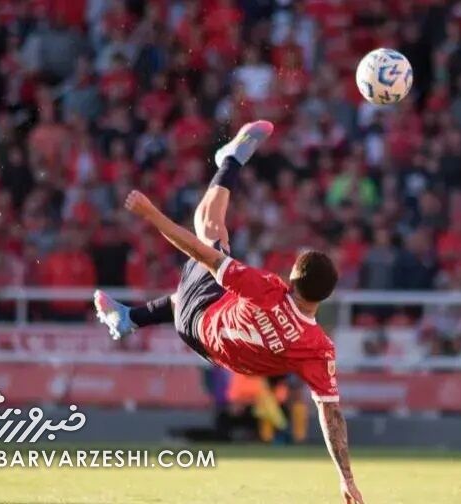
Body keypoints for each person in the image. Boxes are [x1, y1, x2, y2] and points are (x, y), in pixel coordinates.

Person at [94, 120, 364, 504]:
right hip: (211, 348)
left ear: (291, 280)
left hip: (201, 317)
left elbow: (197, 251)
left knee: (208, 229)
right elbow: (332, 416)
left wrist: (151, 214)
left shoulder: (268, 289)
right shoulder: (319, 348)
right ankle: (129, 319)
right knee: (195, 276)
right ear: (327, 296)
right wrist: (346, 479)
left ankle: (231, 161)